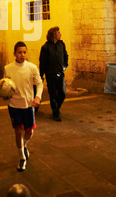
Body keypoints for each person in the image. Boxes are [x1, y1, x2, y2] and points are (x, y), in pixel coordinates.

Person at [4, 41, 43, 172]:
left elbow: (39, 83)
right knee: (18, 131)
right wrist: (4, 95)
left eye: (24, 52)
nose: (22, 55)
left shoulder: (32, 68)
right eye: (19, 52)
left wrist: (38, 96)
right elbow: (5, 86)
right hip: (14, 105)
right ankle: (22, 158)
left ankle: (24, 145)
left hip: (28, 105)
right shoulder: (8, 68)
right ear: (14, 53)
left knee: (29, 131)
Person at [39, 26, 68, 122]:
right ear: (54, 35)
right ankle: (55, 113)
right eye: (58, 33)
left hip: (60, 73)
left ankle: (57, 108)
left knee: (62, 93)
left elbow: (65, 55)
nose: (60, 34)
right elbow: (42, 62)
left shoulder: (61, 44)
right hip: (50, 75)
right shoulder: (45, 47)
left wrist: (64, 66)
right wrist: (41, 75)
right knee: (53, 95)